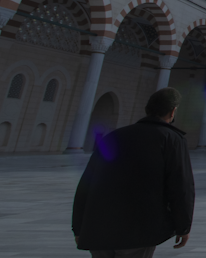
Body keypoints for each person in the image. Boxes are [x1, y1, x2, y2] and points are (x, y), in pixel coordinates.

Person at [72, 87, 194, 256]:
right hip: (137, 231)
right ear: (172, 111)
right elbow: (181, 186)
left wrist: (78, 227)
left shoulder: (113, 137)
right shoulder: (171, 139)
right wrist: (183, 226)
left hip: (99, 228)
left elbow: (86, 184)